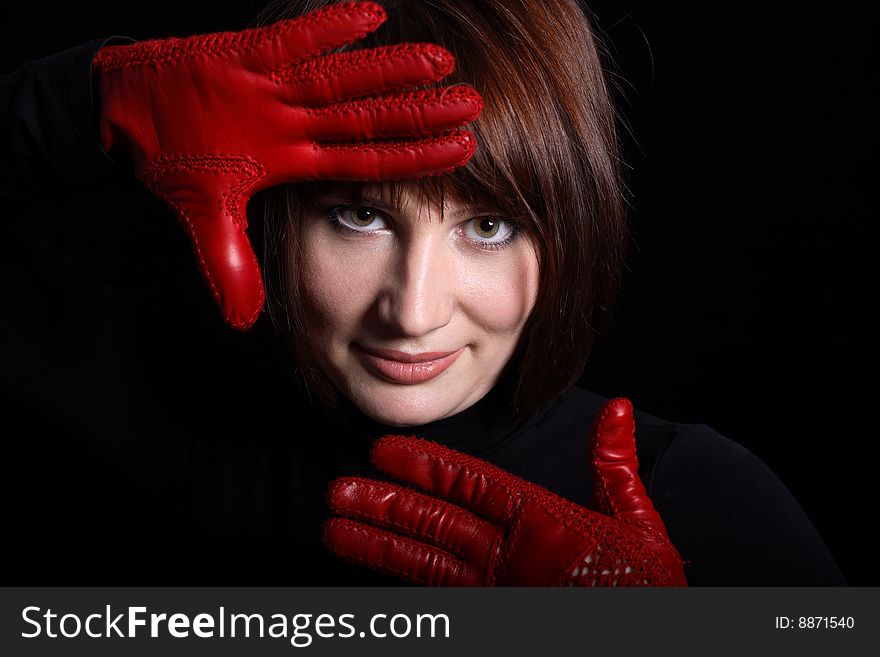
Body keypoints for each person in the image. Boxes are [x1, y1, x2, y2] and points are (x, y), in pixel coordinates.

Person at [1, 0, 845, 585]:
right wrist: (90, 105)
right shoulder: (173, 428)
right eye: (361, 215)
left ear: (572, 230)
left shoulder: (698, 498)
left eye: (488, 227)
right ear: (278, 217)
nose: (413, 311)